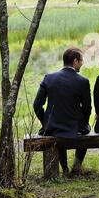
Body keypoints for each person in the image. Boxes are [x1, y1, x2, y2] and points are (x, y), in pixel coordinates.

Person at [33, 47, 91, 175]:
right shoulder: (83, 81)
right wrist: (83, 122)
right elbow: (87, 108)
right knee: (86, 133)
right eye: (81, 61)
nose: (82, 63)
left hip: (53, 126)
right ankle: (77, 166)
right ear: (75, 61)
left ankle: (64, 169)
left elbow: (37, 105)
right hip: (75, 128)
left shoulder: (49, 78)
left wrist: (46, 121)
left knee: (57, 135)